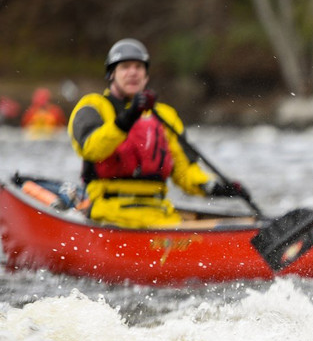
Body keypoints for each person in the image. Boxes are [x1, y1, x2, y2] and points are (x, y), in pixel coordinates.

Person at [67, 38, 249, 228]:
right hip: (108, 213)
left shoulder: (164, 115)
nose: (133, 72)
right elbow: (91, 148)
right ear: (111, 74)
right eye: (125, 67)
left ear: (146, 76)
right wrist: (127, 118)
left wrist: (219, 188)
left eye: (139, 67)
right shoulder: (92, 106)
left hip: (158, 213)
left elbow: (185, 172)